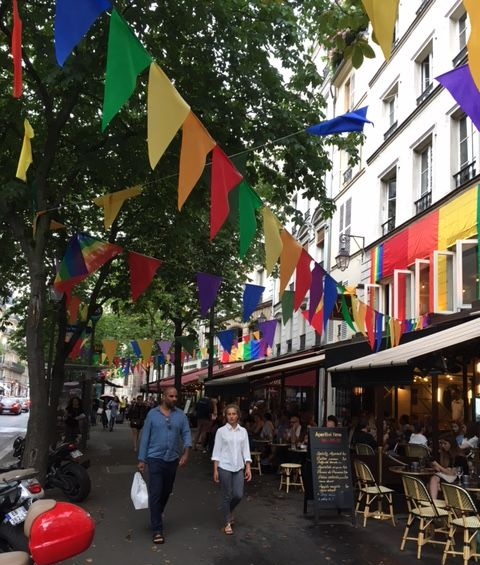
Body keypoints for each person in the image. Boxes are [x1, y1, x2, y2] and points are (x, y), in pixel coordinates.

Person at [138, 386, 192, 545]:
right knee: (155, 492)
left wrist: (186, 453)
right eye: (171, 396)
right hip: (155, 458)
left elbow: (187, 433)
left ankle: (158, 511)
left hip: (172, 458)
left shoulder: (181, 415)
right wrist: (142, 459)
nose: (174, 399)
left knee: (167, 490)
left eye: (176, 396)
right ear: (164, 397)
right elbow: (145, 437)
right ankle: (157, 530)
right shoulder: (152, 414)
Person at [212, 404, 252, 535]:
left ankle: (227, 511)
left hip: (238, 466)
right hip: (224, 466)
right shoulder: (221, 431)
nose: (231, 416)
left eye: (233, 414)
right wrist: (215, 469)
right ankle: (227, 522)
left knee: (238, 495)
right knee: (226, 494)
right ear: (225, 416)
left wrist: (248, 467)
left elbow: (246, 450)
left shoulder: (243, 431)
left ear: (238, 415)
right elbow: (216, 451)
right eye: (228, 414)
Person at [428, 434, 468, 500]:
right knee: (433, 482)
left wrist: (438, 465)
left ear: (451, 444)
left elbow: (452, 473)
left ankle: (433, 503)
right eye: (442, 443)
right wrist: (438, 468)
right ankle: (434, 503)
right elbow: (447, 469)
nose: (443, 446)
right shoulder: (447, 454)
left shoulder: (459, 457)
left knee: (434, 480)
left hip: (460, 479)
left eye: (445, 443)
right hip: (451, 478)